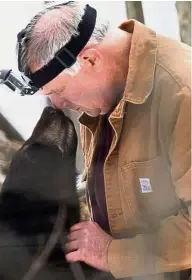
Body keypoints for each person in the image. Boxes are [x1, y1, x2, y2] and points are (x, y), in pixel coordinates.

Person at [17, 2, 191, 279]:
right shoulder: (104, 95)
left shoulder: (183, 93)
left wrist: (110, 253)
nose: (59, 104)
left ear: (90, 60)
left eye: (59, 89)